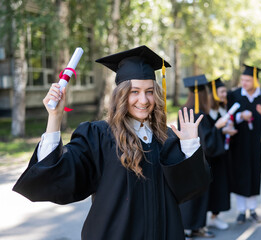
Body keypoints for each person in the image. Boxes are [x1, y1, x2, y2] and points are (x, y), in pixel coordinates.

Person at [12, 45, 211, 240]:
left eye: (149, 91)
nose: (144, 100)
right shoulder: (98, 135)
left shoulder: (165, 137)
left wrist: (189, 145)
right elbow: (59, 174)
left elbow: (189, 190)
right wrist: (54, 118)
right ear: (121, 94)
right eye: (134, 91)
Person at [180, 74, 228, 239]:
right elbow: (207, 142)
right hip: (198, 160)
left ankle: (195, 227)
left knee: (196, 195)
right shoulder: (198, 114)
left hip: (188, 159)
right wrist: (218, 127)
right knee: (195, 197)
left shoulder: (185, 110)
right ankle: (188, 228)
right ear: (203, 95)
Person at [227, 64, 261, 223]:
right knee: (240, 174)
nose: (244, 83)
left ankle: (253, 209)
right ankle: (241, 211)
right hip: (238, 142)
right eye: (242, 80)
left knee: (254, 173)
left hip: (254, 142)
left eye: (247, 80)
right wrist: (239, 117)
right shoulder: (234, 95)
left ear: (255, 80)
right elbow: (227, 117)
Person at [206, 77, 237, 230]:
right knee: (209, 188)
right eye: (222, 91)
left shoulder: (222, 109)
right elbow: (206, 136)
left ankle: (214, 217)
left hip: (221, 156)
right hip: (209, 157)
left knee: (220, 187)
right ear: (214, 93)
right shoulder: (206, 112)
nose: (225, 94)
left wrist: (225, 131)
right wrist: (218, 128)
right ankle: (202, 221)